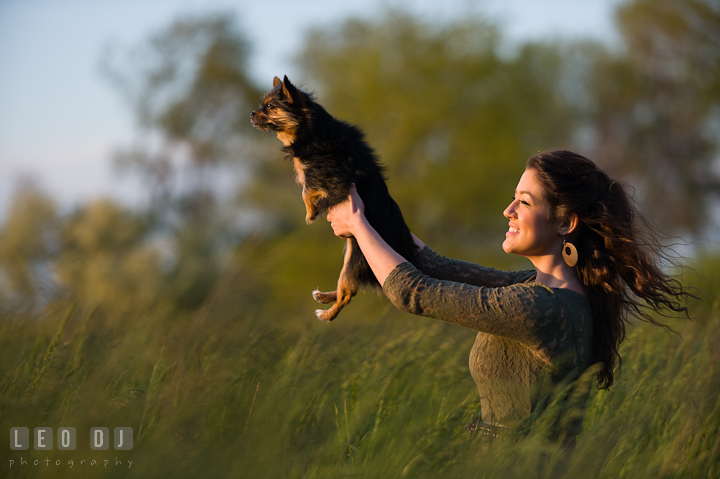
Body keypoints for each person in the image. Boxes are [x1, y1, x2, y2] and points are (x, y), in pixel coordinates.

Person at [326, 149, 694, 443]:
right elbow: (434, 266)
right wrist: (374, 212)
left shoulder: (542, 308)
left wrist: (358, 226)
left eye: (525, 202)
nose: (509, 211)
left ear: (566, 223)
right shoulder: (539, 291)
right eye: (513, 199)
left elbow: (412, 292)